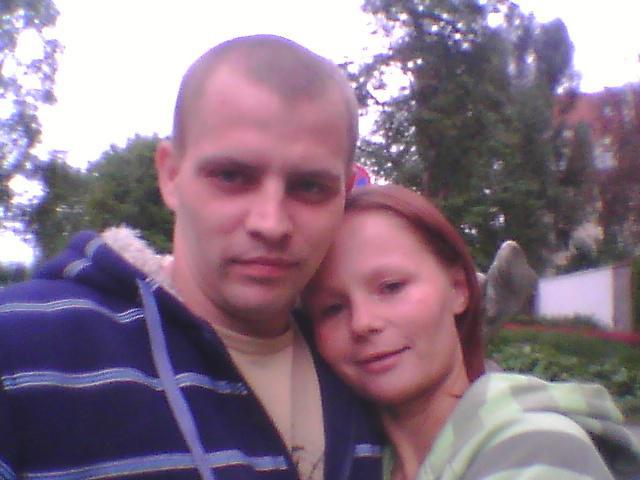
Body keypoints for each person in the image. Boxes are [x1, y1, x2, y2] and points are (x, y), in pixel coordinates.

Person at [0, 35, 382, 480]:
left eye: (310, 186)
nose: (271, 223)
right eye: (232, 176)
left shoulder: (370, 369)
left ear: (346, 193)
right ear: (171, 175)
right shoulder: (22, 349)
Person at [303, 184, 640, 480]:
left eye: (391, 287)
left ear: (459, 288)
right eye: (332, 308)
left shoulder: (537, 450)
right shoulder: (345, 463)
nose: (362, 323)